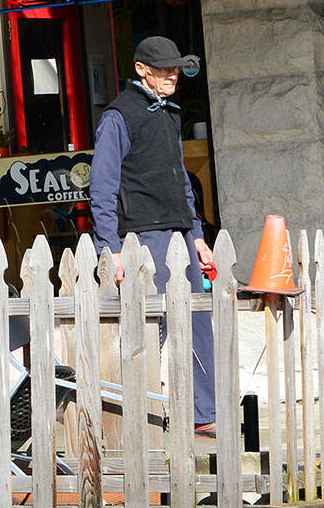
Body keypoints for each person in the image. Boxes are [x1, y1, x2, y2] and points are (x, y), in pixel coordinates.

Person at [90, 36, 217, 437]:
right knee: (149, 330)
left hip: (179, 235)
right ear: (141, 70)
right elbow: (102, 187)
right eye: (164, 69)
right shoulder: (118, 116)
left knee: (197, 320)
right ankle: (142, 422)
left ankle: (204, 413)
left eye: (176, 68)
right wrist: (109, 250)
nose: (172, 75)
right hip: (142, 238)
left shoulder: (170, 113)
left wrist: (196, 235)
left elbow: (181, 180)